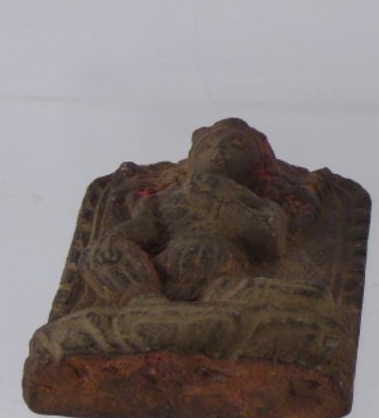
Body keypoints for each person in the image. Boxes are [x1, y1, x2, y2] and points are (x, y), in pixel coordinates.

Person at [80, 118, 287, 304]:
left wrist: (212, 198)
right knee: (100, 252)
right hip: (162, 271)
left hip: (222, 272)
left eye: (236, 146)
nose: (220, 148)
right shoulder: (161, 199)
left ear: (256, 168)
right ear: (192, 159)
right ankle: (143, 300)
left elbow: (267, 239)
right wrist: (116, 238)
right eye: (208, 145)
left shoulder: (255, 203)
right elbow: (144, 229)